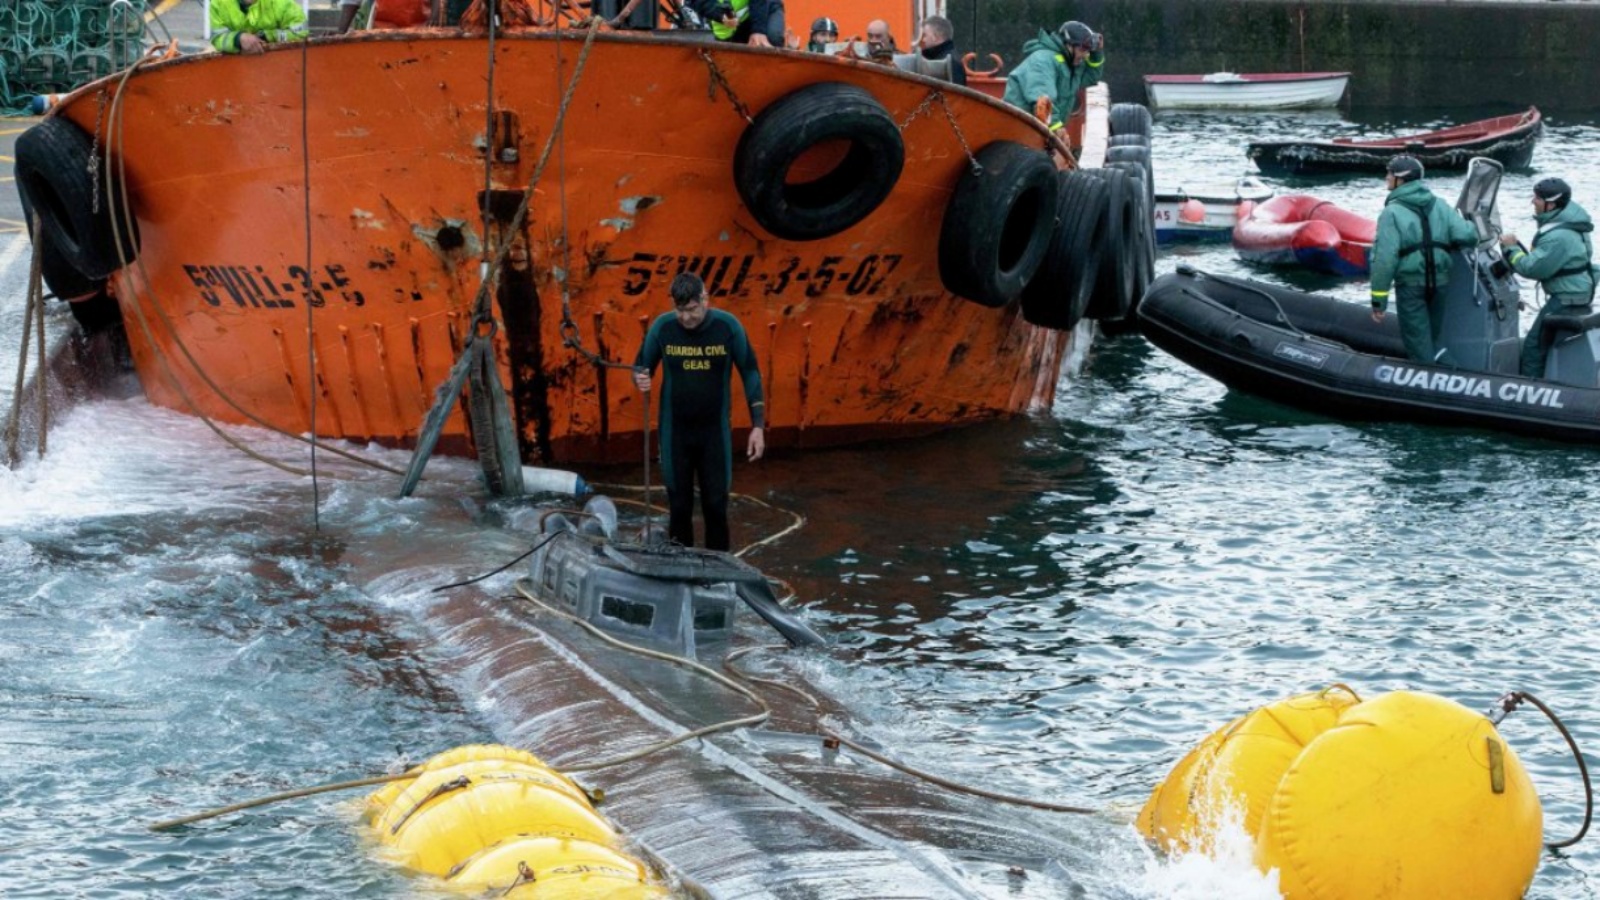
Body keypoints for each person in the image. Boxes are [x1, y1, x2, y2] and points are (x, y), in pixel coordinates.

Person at [633, 273, 766, 551]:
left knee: (715, 505)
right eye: (680, 311)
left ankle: (720, 575)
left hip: (713, 434)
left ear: (705, 299)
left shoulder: (727, 327)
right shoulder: (663, 328)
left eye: (692, 310)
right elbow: (641, 366)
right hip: (675, 433)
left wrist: (757, 426)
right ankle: (679, 574)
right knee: (679, 506)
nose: (686, 318)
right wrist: (640, 378)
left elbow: (750, 371)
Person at [1368, 155, 1479, 366]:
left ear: (1401, 179)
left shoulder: (1391, 213)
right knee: (1432, 340)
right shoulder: (1441, 205)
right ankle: (1455, 375)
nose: (1386, 177)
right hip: (1440, 285)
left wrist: (1378, 301)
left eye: (1389, 173)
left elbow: (1384, 260)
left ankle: (1434, 388)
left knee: (1418, 346)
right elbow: (1468, 236)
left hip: (1411, 287)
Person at [1499, 177, 1597, 378]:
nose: (1532, 201)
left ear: (1550, 204)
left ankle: (1528, 390)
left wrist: (1510, 247)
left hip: (1566, 296)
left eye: (1537, 198)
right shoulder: (1570, 223)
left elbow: (1531, 269)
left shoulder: (1558, 236)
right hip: (1578, 292)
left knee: (1533, 347)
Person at [1002, 20, 1104, 134]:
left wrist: (1097, 54)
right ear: (1068, 45)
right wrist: (1056, 129)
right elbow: (1042, 101)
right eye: (1082, 49)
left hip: (1038, 131)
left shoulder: (1070, 65)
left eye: (1088, 51)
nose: (1085, 55)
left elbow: (1091, 78)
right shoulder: (1043, 61)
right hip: (1019, 132)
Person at [208, 0, 309, 55]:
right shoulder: (218, 3)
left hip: (279, 69)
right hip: (235, 73)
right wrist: (238, 39)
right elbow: (217, 37)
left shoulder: (281, 2)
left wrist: (268, 36)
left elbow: (301, 32)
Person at [688, 0, 784, 48]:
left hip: (765, 7)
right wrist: (720, 16)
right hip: (729, 27)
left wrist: (758, 30)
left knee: (772, 38)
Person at [916, 15, 966, 86]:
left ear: (936, 37)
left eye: (925, 35)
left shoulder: (950, 63)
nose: (923, 40)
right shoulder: (948, 57)